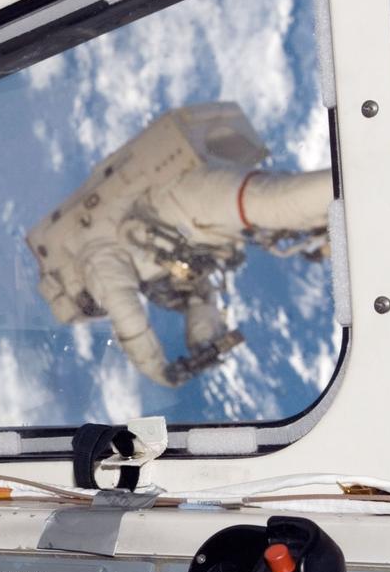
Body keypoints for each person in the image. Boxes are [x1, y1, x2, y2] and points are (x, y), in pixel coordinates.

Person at [28, 102, 333, 385]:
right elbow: (199, 297)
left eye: (91, 304)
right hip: (204, 225)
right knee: (281, 212)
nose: (100, 303)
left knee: (274, 201)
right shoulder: (141, 271)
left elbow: (125, 310)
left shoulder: (93, 255)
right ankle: (331, 217)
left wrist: (158, 370)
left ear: (74, 288)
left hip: (186, 202)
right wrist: (204, 344)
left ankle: (357, 180)